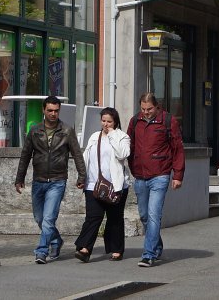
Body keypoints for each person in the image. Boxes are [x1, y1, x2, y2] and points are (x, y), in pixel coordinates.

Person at [15, 95, 86, 264]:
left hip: (57, 181)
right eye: (50, 111)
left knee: (48, 219)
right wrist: (20, 178)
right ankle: (56, 240)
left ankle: (41, 251)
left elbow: (77, 154)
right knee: (39, 219)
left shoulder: (67, 131)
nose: (53, 114)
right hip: (38, 180)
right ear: (43, 110)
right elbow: (25, 155)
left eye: (56, 111)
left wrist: (82, 175)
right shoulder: (34, 131)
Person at [128, 92, 185, 268]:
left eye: (149, 109)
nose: (146, 112)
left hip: (160, 174)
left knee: (153, 215)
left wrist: (177, 175)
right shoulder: (135, 121)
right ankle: (157, 245)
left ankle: (148, 254)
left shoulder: (168, 120)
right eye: (143, 109)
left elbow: (177, 148)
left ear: (157, 106)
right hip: (140, 175)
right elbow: (128, 144)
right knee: (144, 215)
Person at [74, 107, 130, 262]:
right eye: (103, 121)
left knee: (114, 218)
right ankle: (84, 249)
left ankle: (117, 249)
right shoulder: (94, 137)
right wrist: (82, 178)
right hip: (93, 184)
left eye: (109, 121)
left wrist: (112, 135)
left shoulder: (122, 137)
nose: (106, 124)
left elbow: (122, 154)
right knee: (93, 217)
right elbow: (86, 158)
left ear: (116, 122)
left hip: (116, 185)